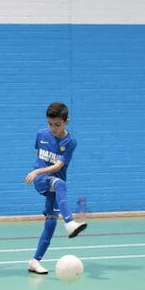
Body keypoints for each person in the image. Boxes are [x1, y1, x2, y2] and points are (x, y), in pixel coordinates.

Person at [24, 102, 87, 274]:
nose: (53, 128)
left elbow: (59, 166)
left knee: (50, 223)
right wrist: (38, 171)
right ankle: (69, 223)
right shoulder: (40, 134)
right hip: (42, 180)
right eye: (50, 124)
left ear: (66, 122)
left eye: (57, 125)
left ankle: (34, 261)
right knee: (59, 184)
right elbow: (39, 154)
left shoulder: (70, 142)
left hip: (55, 184)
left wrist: (40, 169)